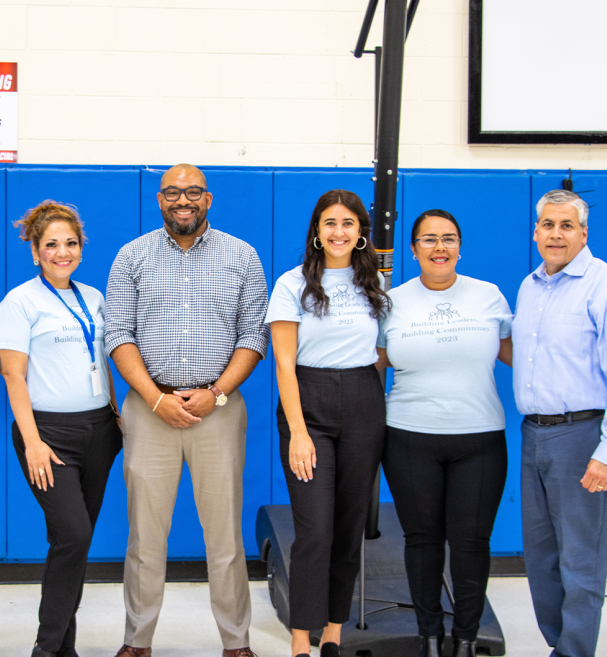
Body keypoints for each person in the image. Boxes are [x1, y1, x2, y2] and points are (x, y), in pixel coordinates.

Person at [104, 164, 270, 657]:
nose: (183, 200)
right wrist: (155, 399)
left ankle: (236, 643)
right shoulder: (131, 257)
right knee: (144, 538)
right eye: (173, 192)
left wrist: (215, 393)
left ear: (209, 198)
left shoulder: (242, 256)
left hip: (217, 408)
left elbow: (252, 336)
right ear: (159, 200)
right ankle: (137, 641)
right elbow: (119, 333)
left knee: (224, 536)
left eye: (193, 191)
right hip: (148, 408)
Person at [375, 210, 513, 657]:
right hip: (410, 438)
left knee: (472, 542)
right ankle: (429, 636)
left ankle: (466, 639)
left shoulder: (489, 296)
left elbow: (523, 356)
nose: (440, 247)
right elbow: (370, 367)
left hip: (481, 439)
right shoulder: (390, 302)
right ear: (413, 249)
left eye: (449, 238)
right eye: (429, 239)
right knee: (423, 540)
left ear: (460, 246)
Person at [265, 189, 389, 657]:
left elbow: (382, 354)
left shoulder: (374, 284)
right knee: (315, 529)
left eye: (348, 223)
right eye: (329, 223)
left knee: (348, 525)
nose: (339, 232)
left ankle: (334, 631)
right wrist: (298, 430)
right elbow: (283, 364)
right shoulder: (291, 284)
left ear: (361, 234)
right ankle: (302, 637)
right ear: (316, 230)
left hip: (363, 402)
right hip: (308, 405)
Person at [0, 201, 122, 657]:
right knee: (74, 534)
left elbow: (103, 360)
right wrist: (31, 442)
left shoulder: (93, 297)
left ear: (81, 249)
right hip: (48, 434)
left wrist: (115, 412)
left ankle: (63, 647)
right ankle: (46, 648)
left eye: (70, 243)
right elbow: (13, 376)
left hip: (101, 430)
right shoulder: (20, 301)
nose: (62, 252)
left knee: (72, 544)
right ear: (35, 252)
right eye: (51, 244)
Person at [512, 189, 607, 657]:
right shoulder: (530, 285)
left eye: (566, 225)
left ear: (584, 233)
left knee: (581, 562)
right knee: (541, 558)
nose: (556, 234)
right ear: (535, 232)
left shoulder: (601, 285)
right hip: (533, 435)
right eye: (547, 225)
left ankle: (574, 653)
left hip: (582, 437)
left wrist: (605, 454)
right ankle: (559, 646)